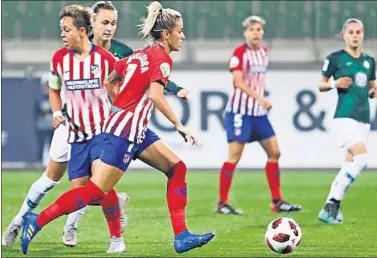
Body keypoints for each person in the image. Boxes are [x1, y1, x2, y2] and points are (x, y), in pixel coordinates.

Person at [20, 2, 214, 255]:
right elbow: (156, 96)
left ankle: (181, 236)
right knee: (93, 191)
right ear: (166, 34)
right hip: (124, 132)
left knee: (177, 168)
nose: (183, 36)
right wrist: (179, 125)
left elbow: (110, 78)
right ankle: (35, 221)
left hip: (133, 129)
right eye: (180, 31)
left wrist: (120, 102)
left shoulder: (140, 54)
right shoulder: (162, 58)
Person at [216, 15, 302, 215]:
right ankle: (222, 203)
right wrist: (260, 98)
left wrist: (260, 102)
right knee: (234, 156)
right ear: (245, 32)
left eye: (259, 29)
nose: (256, 33)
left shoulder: (264, 52)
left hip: (258, 114)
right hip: (240, 112)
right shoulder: (239, 53)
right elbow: (238, 82)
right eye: (252, 29)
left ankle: (277, 201)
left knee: (275, 153)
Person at [318, 18, 376, 224]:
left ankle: (330, 209)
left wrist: (373, 90)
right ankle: (332, 203)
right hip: (344, 116)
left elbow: (371, 86)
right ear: (344, 35)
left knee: (349, 163)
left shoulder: (369, 61)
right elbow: (321, 85)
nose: (355, 35)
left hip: (363, 119)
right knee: (362, 160)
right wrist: (335, 83)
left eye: (359, 32)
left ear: (363, 34)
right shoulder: (335, 59)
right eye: (351, 32)